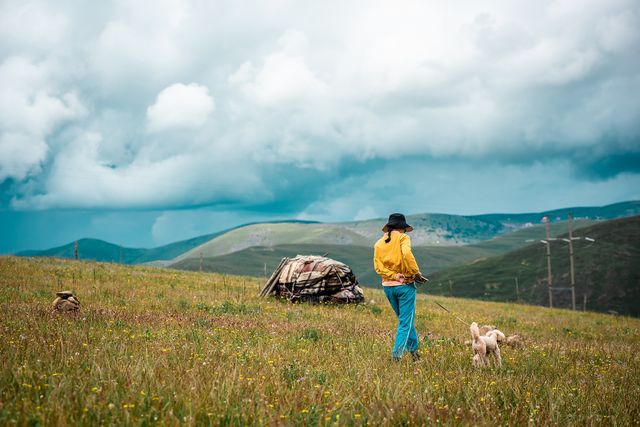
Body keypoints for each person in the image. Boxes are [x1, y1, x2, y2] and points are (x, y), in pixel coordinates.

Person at [373, 213, 426, 361]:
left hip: (388, 287)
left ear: (389, 227)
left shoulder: (378, 243)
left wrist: (394, 275)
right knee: (405, 322)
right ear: (402, 228)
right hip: (405, 286)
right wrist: (415, 273)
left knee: (405, 321)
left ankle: (415, 354)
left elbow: (378, 267)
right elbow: (407, 253)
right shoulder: (403, 238)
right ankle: (396, 356)